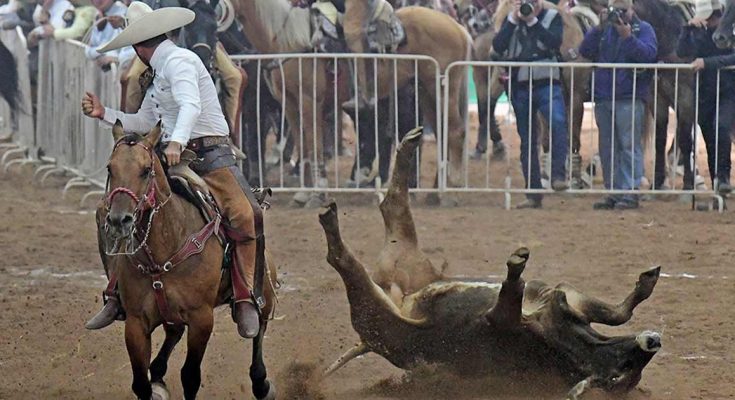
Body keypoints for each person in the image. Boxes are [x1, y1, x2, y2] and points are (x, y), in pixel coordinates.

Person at [81, 1, 263, 339]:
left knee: (245, 213)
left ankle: (246, 296)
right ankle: (118, 292)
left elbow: (190, 104)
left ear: (139, 46)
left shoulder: (180, 62)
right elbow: (145, 121)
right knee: (114, 210)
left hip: (209, 153)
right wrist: (105, 113)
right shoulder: (159, 72)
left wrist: (177, 141)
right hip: (173, 155)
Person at [579, 0, 657, 210]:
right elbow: (585, 50)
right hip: (604, 97)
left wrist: (628, 38)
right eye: (616, 11)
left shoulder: (644, 29)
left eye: (623, 10)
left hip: (629, 96)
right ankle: (613, 191)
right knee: (607, 147)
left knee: (629, 145)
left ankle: (630, 190)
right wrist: (598, 28)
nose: (619, 15)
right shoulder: (604, 30)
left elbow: (649, 56)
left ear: (631, 9)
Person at [492, 0, 570, 209]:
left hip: (548, 83)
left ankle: (558, 174)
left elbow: (554, 42)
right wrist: (511, 20)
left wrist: (533, 22)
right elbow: (498, 46)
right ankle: (533, 191)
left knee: (558, 122)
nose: (528, 5)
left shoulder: (553, 17)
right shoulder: (511, 19)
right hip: (521, 85)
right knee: (527, 139)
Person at [677, 0, 733, 195]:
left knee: (721, 127)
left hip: (728, 92)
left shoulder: (730, 31)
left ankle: (724, 176)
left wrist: (707, 63)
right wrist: (687, 29)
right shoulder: (699, 32)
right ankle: (717, 181)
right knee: (710, 138)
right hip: (704, 93)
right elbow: (681, 52)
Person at [85, 0, 135, 71]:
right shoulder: (99, 16)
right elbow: (88, 51)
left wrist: (111, 56)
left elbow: (118, 52)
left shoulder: (123, 14)